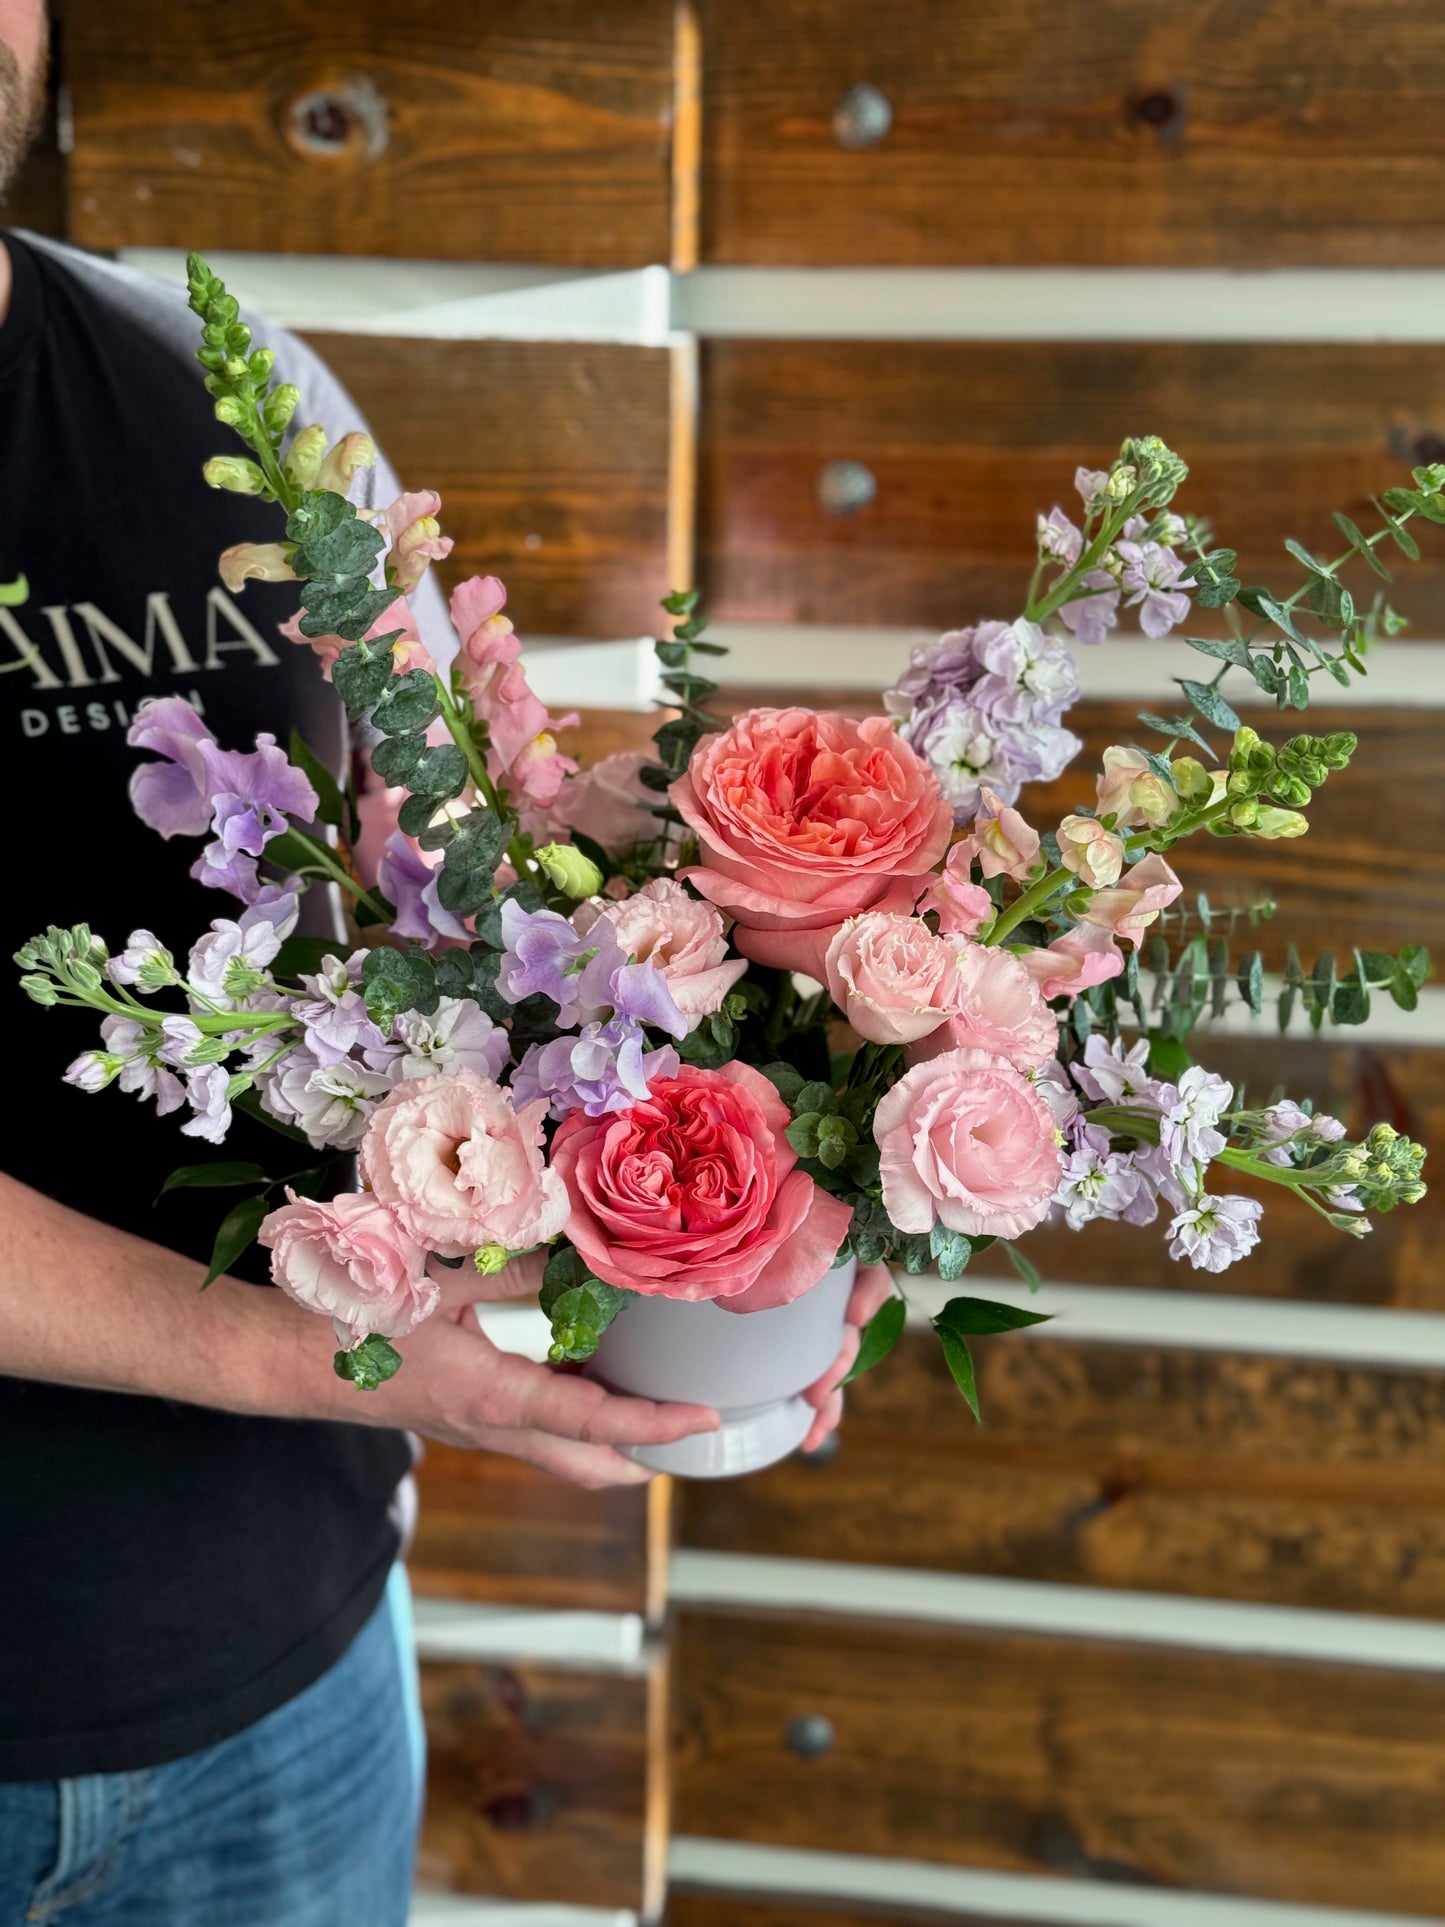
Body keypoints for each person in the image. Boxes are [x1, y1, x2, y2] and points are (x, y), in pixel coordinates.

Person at [0, 8, 891, 1922]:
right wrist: (349, 1363)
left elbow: (459, 851)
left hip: (284, 1700)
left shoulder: (218, 387)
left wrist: (811, 915)